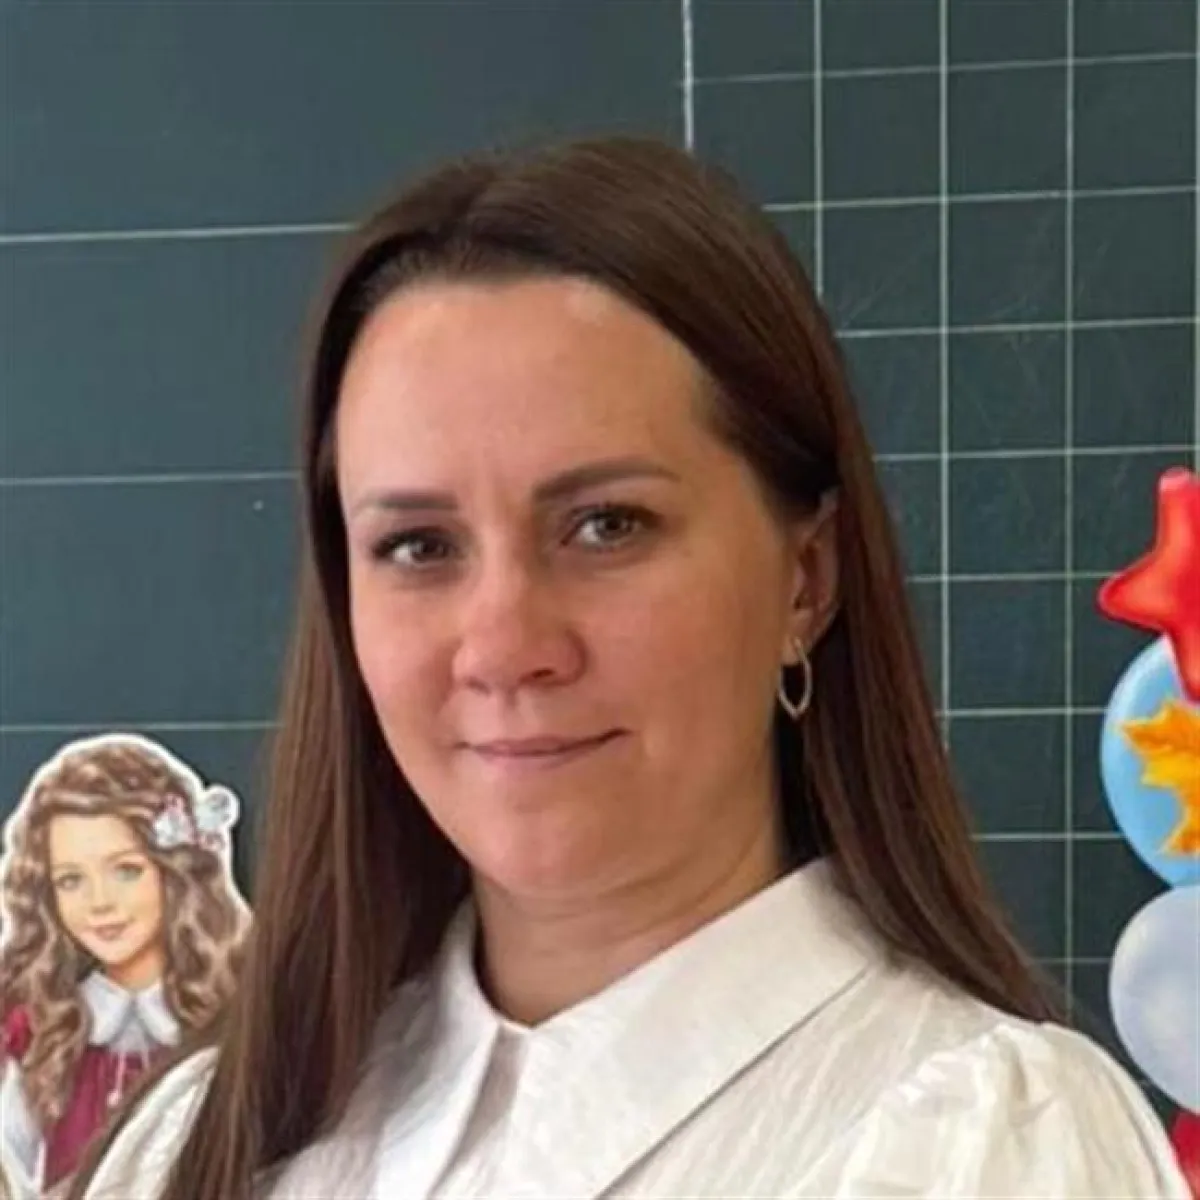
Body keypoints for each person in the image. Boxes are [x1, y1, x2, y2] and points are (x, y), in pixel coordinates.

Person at [70, 136, 1187, 1198]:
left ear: (805, 580)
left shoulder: (986, 1149)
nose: (504, 647)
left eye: (607, 526)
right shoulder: (201, 1147)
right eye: (418, 546)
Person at [0, 735, 249, 1198]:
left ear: (172, 871)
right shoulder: (41, 1030)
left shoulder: (237, 1018)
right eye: (70, 880)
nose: (100, 902)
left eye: (126, 871)